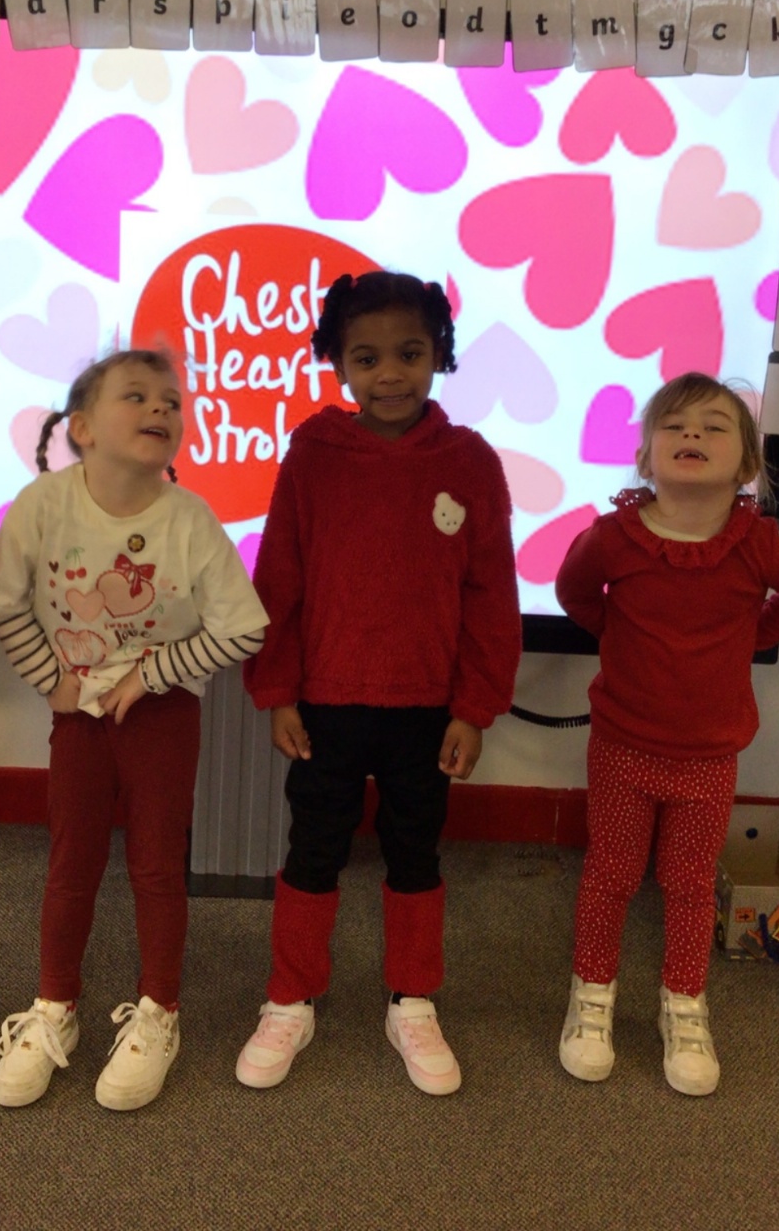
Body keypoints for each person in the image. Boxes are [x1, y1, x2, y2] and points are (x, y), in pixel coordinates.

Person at [236, 271, 521, 1097]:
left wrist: (474, 708)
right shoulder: (314, 454)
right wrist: (276, 690)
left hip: (427, 712)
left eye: (409, 353)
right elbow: (280, 576)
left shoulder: (470, 461)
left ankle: (413, 998)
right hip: (326, 705)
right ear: (338, 363)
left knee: (415, 852)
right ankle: (291, 996)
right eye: (366, 358)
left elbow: (491, 594)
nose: (389, 373)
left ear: (439, 355)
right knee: (313, 849)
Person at [0, 349, 268, 1113]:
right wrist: (54, 683)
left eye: (171, 400)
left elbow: (244, 627)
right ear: (82, 428)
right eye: (136, 396)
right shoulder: (44, 503)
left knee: (156, 867)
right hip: (78, 718)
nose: (161, 408)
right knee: (70, 862)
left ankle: (159, 1010)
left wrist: (153, 674)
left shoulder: (189, 519)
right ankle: (53, 1007)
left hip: (161, 717)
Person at [554, 373, 779, 1097]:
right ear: (645, 456)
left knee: (688, 884)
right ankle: (592, 994)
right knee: (611, 876)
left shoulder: (758, 545)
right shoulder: (612, 538)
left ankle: (683, 1003)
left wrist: (753, 634)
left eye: (714, 426)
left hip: (709, 756)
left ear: (747, 464)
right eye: (675, 425)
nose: (692, 435)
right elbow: (575, 593)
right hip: (622, 747)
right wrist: (619, 635)